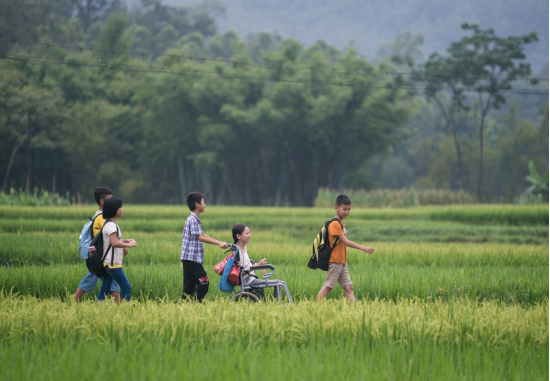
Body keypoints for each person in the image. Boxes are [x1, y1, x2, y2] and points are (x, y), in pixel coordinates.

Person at [316, 195, 375, 303]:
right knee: (328, 286)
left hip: (342, 262)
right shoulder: (335, 224)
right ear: (336, 208)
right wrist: (363, 248)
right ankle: (316, 307)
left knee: (349, 287)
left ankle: (355, 311)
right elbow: (346, 242)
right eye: (344, 209)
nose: (347, 212)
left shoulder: (341, 223)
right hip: (335, 261)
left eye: (349, 209)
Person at [74, 187, 121, 303]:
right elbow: (111, 235)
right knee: (92, 279)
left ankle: (118, 309)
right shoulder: (102, 217)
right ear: (102, 201)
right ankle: (74, 303)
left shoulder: (97, 215)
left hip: (100, 255)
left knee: (111, 281)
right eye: (110, 199)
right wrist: (122, 246)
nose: (113, 201)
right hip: (102, 256)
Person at [181, 192, 228, 302]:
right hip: (191, 258)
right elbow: (200, 237)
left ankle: (184, 307)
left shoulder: (194, 219)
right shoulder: (193, 220)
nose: (205, 204)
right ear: (197, 204)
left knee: (189, 287)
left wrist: (219, 242)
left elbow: (202, 234)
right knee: (204, 282)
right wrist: (218, 243)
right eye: (203, 202)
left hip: (189, 258)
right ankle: (194, 305)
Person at [97, 197, 137, 304]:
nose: (122, 209)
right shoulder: (111, 225)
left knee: (105, 290)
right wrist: (130, 245)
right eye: (120, 207)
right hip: (113, 263)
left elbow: (111, 241)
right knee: (126, 286)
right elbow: (114, 243)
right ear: (114, 209)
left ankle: (96, 308)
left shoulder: (109, 224)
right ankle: (125, 311)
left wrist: (126, 241)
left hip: (107, 262)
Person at [232, 224, 282, 299]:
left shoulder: (244, 248)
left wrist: (260, 265)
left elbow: (247, 265)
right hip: (248, 281)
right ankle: (277, 305)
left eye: (249, 233)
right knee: (279, 283)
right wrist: (258, 265)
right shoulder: (238, 252)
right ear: (238, 236)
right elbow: (241, 271)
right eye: (247, 233)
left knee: (279, 282)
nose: (249, 235)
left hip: (251, 279)